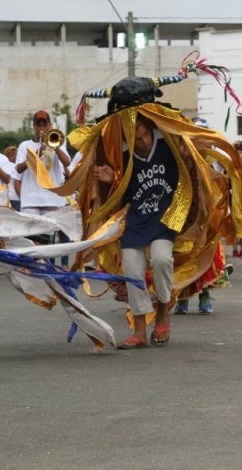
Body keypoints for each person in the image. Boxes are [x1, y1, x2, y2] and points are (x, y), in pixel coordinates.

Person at [93, 114, 177, 348]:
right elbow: (117, 192)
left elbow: (190, 170)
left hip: (164, 218)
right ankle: (139, 331)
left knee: (161, 260)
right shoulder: (122, 153)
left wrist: (190, 159)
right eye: (135, 135)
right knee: (132, 270)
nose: (143, 140)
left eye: (143, 131)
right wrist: (111, 181)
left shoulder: (168, 140)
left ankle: (162, 312)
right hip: (135, 219)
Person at [13, 110, 71, 216]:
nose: (42, 127)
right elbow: (18, 169)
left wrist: (54, 146)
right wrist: (35, 155)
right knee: (31, 232)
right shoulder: (24, 145)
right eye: (39, 124)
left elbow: (67, 163)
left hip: (51, 198)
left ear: (49, 125)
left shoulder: (57, 143)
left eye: (44, 124)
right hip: (31, 199)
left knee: (49, 232)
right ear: (34, 126)